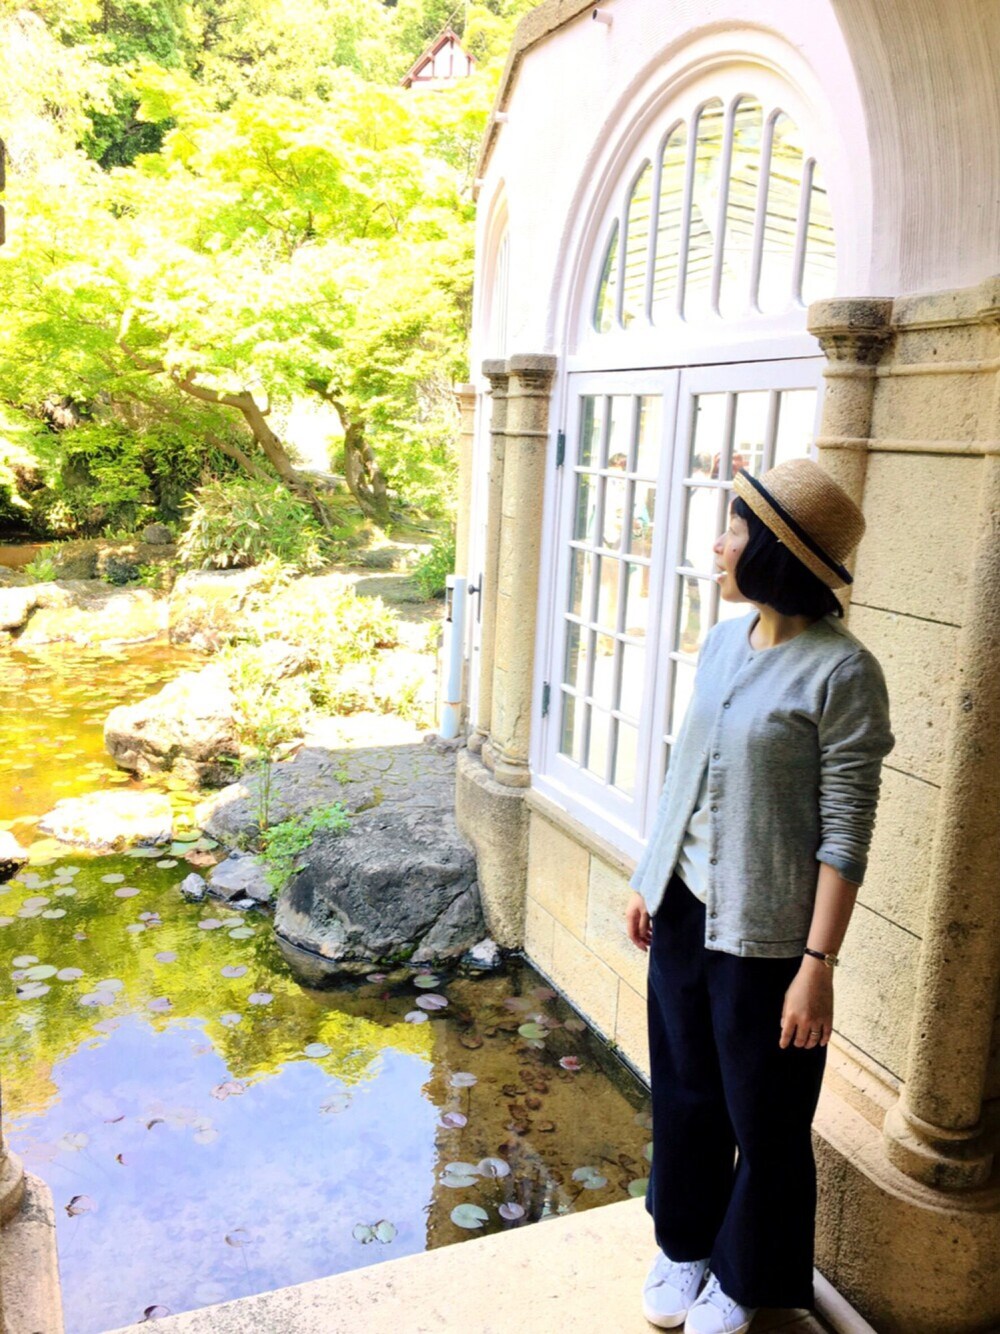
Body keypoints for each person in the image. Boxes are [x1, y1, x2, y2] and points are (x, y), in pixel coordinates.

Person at [625, 458, 894, 1334]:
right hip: (684, 910)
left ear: (777, 551)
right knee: (685, 1094)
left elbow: (845, 832)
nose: (718, 544)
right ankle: (685, 1246)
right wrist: (651, 876)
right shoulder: (721, 642)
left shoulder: (843, 673)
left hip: (772, 940)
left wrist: (818, 965)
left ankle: (745, 1278)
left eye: (735, 530)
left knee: (768, 1121)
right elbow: (687, 772)